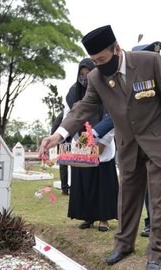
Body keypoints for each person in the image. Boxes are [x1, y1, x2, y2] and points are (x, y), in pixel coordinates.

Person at [39, 26, 161, 270]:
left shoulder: (151, 62)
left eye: (102, 59)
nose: (99, 66)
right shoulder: (96, 78)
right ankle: (123, 245)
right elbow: (83, 108)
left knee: (158, 201)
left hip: (159, 141)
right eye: (94, 61)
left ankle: (157, 255)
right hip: (128, 145)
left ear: (116, 49)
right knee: (127, 199)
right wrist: (59, 134)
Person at [92, 41, 161, 241]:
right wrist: (94, 133)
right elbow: (119, 114)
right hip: (148, 143)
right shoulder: (125, 80)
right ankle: (151, 222)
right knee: (152, 187)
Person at [64, 58, 119, 232]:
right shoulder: (73, 93)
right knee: (84, 181)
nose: (85, 78)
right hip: (81, 143)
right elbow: (70, 116)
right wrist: (74, 138)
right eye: (81, 75)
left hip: (102, 142)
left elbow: (113, 116)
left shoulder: (106, 88)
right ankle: (87, 216)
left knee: (102, 182)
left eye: (88, 74)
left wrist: (103, 141)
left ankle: (104, 219)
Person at [50, 111, 70, 195]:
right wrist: (53, 139)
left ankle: (66, 187)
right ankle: (65, 188)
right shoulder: (64, 113)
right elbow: (56, 125)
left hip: (75, 141)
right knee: (64, 165)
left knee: (77, 164)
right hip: (65, 142)